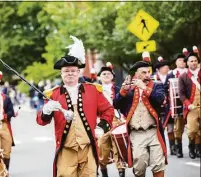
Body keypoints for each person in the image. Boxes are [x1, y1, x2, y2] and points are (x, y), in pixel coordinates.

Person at [36, 36, 114, 177]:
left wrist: (102, 127)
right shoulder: (53, 94)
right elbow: (42, 121)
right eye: (66, 71)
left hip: (88, 147)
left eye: (73, 70)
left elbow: (108, 110)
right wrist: (46, 110)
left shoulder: (93, 90)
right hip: (66, 150)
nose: (70, 73)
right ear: (61, 73)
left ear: (79, 72)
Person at [114, 53, 167, 177]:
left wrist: (144, 88)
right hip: (136, 133)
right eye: (143, 72)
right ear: (136, 74)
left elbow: (160, 99)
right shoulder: (129, 88)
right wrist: (123, 91)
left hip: (154, 131)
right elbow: (116, 104)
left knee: (158, 164)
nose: (147, 75)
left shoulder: (157, 85)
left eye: (148, 72)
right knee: (139, 167)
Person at [96, 62, 126, 177]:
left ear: (113, 76)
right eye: (104, 74)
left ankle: (121, 172)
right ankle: (104, 172)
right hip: (102, 121)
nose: (106, 75)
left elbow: (124, 104)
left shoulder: (118, 89)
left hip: (117, 121)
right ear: (100, 76)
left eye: (109, 73)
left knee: (118, 146)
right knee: (102, 148)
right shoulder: (96, 90)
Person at [178, 52, 201, 159]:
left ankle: (198, 148)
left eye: (195, 60)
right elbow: (181, 95)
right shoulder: (183, 77)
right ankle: (191, 147)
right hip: (192, 107)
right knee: (192, 130)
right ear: (187, 63)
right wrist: (188, 104)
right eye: (191, 61)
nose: (194, 63)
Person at [153, 56, 176, 156]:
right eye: (165, 67)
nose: (167, 68)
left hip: (169, 106)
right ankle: (161, 148)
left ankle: (172, 147)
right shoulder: (152, 78)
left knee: (171, 127)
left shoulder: (172, 77)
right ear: (159, 69)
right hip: (157, 107)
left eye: (167, 67)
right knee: (158, 128)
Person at [166, 52, 187, 158]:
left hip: (190, 103)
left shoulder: (191, 73)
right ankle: (179, 149)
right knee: (178, 128)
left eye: (184, 60)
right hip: (177, 105)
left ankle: (195, 148)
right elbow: (166, 89)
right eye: (180, 60)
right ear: (176, 62)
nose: (182, 62)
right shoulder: (171, 74)